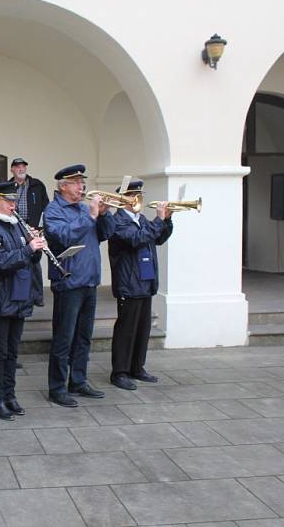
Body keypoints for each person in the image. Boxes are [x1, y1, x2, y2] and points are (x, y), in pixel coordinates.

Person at [43, 164, 115, 408]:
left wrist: (104, 214)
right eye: (75, 182)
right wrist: (92, 215)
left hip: (89, 280)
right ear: (63, 186)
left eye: (82, 181)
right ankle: (56, 387)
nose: (81, 186)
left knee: (84, 337)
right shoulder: (53, 211)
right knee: (64, 337)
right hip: (69, 281)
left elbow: (105, 234)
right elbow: (64, 237)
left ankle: (78, 380)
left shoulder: (84, 209)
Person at [0, 181, 45, 420]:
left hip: (19, 295)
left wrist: (36, 249)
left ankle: (10, 394)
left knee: (13, 352)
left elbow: (28, 261)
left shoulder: (17, 226)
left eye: (14, 201)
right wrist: (28, 249)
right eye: (9, 201)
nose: (13, 205)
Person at [108, 179, 173, 390]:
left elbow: (159, 238)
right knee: (126, 330)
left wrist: (167, 221)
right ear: (122, 199)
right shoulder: (117, 221)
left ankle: (137, 367)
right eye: (133, 196)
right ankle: (119, 372)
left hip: (145, 280)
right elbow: (137, 239)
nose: (138, 199)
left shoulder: (142, 219)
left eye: (140, 195)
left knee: (142, 329)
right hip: (129, 282)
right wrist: (159, 220)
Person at [10, 157, 47, 307]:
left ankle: (37, 296)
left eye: (23, 166)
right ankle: (21, 294)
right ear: (12, 169)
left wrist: (41, 229)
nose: (21, 169)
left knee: (35, 261)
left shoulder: (37, 185)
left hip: (33, 228)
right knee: (19, 259)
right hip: (16, 227)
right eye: (18, 167)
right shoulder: (9, 186)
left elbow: (46, 207)